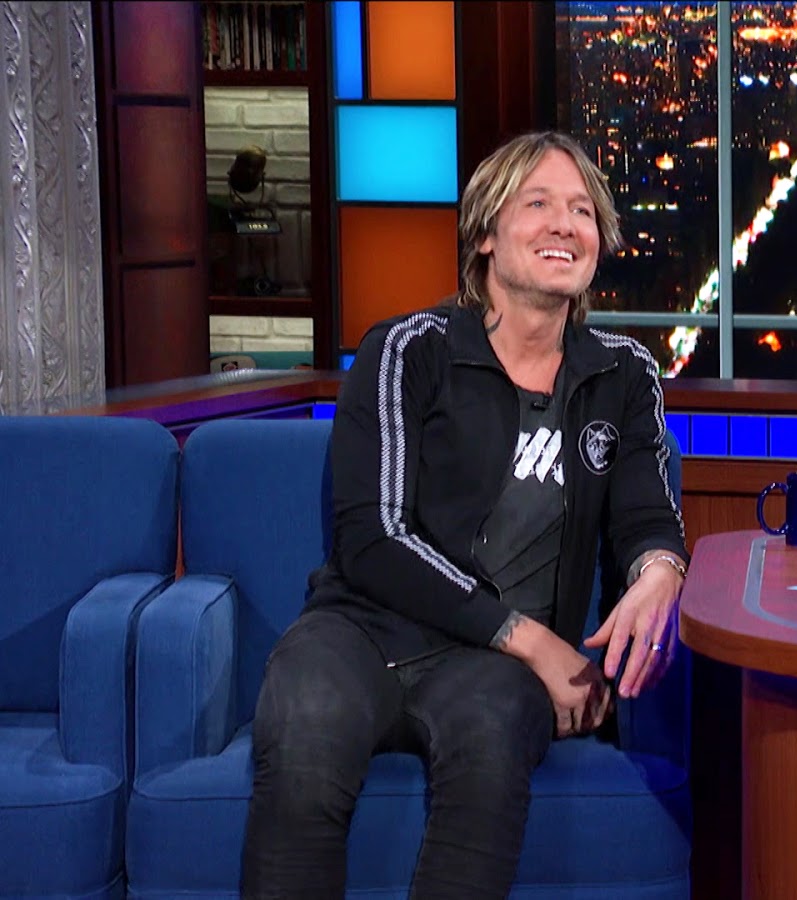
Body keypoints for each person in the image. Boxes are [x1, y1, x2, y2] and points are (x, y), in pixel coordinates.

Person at [241, 131, 689, 898]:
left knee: (489, 750)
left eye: (582, 211)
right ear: (485, 234)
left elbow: (646, 514)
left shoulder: (623, 373)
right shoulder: (406, 350)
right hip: (361, 633)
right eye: (538, 203)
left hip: (491, 673)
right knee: (305, 733)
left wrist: (661, 572)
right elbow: (374, 537)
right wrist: (535, 643)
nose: (565, 224)